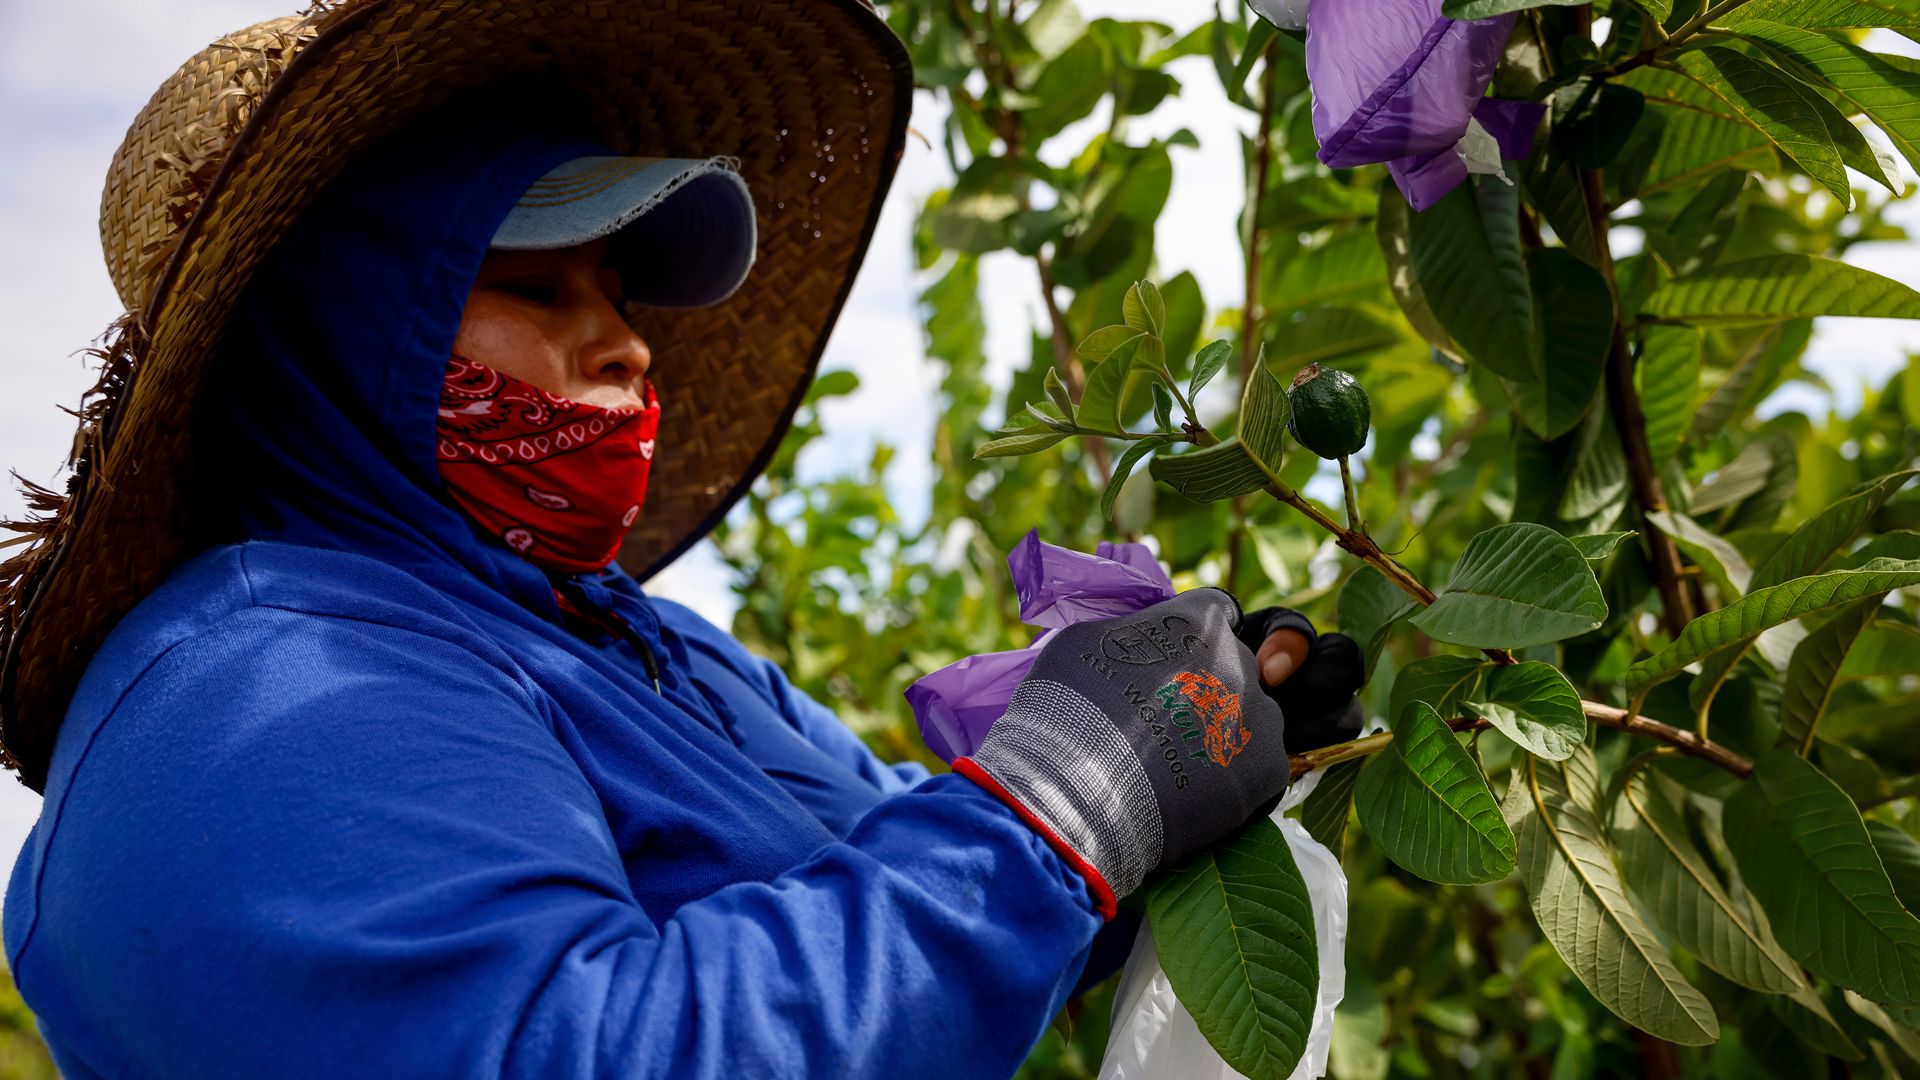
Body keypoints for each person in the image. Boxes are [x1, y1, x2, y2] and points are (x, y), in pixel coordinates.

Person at [0, 4, 1363, 1077]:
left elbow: (884, 896)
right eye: (538, 285)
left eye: (623, 288)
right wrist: (1060, 805)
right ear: (338, 339)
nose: (631, 343)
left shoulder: (641, 652)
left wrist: (1173, 777)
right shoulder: (244, 704)